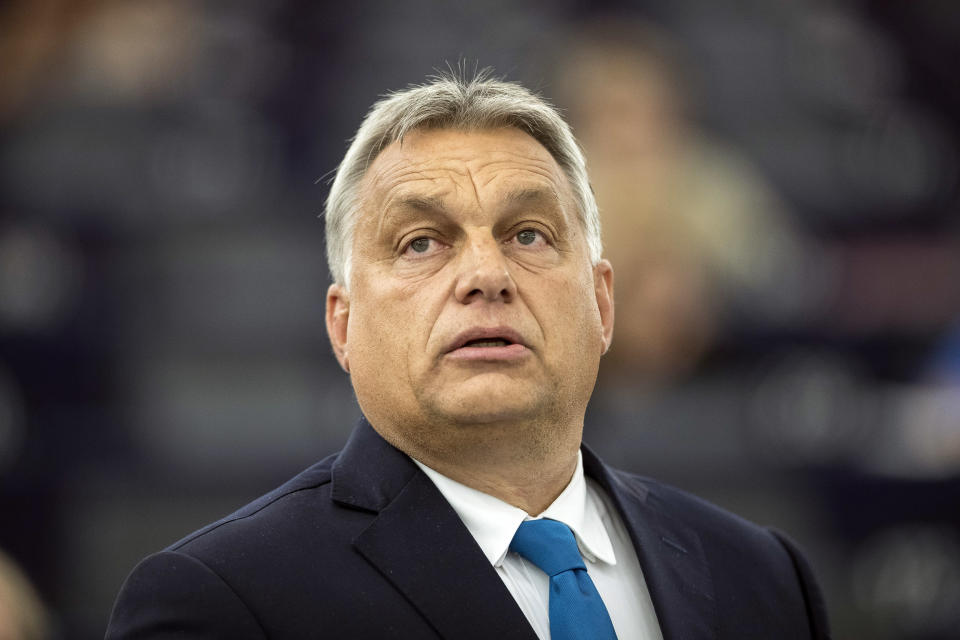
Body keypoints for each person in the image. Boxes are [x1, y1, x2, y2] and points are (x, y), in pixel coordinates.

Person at [105, 72, 830, 639]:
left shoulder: (763, 578)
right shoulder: (220, 602)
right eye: (421, 242)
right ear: (343, 326)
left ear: (602, 306)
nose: (487, 274)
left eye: (529, 236)